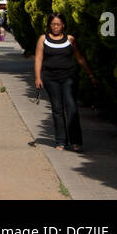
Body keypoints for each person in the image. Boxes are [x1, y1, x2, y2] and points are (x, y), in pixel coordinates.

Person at [34, 12, 96, 152]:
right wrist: (38, 77)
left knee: (71, 108)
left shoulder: (70, 40)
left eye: (58, 24)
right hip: (50, 79)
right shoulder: (43, 39)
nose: (55, 27)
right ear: (49, 25)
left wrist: (90, 74)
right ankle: (61, 141)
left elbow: (79, 58)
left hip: (69, 77)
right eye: (52, 24)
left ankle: (76, 141)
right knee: (57, 109)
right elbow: (38, 59)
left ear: (63, 25)